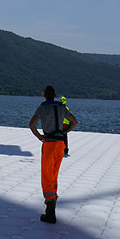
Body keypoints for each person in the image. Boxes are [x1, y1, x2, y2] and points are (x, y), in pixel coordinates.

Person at [29, 85, 78, 224]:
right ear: (55, 95)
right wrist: (64, 132)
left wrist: (40, 136)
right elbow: (74, 122)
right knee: (54, 174)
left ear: (45, 95)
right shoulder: (62, 107)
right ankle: (53, 200)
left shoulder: (42, 108)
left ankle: (50, 210)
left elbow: (31, 124)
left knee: (46, 174)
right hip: (59, 145)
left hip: (49, 144)